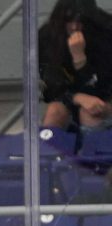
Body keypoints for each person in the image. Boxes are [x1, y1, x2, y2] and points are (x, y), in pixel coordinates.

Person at [39, 0, 112, 131]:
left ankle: (93, 150)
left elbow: (104, 85)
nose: (74, 27)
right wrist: (77, 98)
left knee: (90, 113)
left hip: (104, 97)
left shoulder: (105, 33)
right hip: (68, 97)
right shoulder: (48, 37)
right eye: (69, 20)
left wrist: (80, 59)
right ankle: (50, 150)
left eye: (80, 22)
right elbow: (51, 88)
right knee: (54, 112)